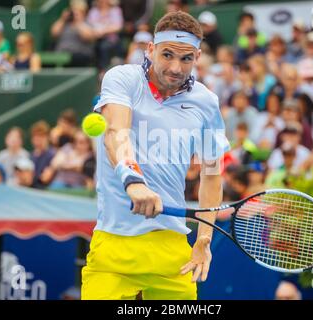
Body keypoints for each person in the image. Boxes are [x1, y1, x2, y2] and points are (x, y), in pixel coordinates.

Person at [81, 11, 229, 300]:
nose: (175, 67)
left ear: (197, 57)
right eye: (167, 55)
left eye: (186, 58)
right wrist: (133, 181)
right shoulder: (123, 78)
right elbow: (116, 132)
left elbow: (212, 174)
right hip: (114, 246)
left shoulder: (206, 102)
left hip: (172, 252)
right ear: (150, 49)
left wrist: (204, 238)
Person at [51, 0, 94, 67]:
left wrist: (78, 21)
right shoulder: (64, 24)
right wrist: (62, 19)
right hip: (61, 54)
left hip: (79, 55)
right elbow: (54, 33)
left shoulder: (87, 24)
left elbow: (87, 37)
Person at [87, 0, 124, 72]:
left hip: (111, 39)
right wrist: (96, 32)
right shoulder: (93, 11)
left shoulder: (115, 10)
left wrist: (103, 31)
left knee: (104, 46)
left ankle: (103, 70)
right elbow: (89, 25)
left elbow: (118, 26)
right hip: (95, 38)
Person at [29, 120, 55, 189]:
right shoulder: (30, 156)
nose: (38, 140)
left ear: (47, 137)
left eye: (41, 136)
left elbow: (45, 178)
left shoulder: (52, 155)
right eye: (36, 137)